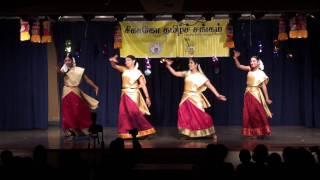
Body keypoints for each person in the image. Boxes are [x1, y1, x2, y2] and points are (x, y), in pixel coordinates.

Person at [164, 58, 226, 141]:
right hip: (186, 97)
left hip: (195, 98)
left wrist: (217, 95)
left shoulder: (201, 76)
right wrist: (168, 66)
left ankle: (211, 132)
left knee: (200, 115)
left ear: (196, 64)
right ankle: (187, 133)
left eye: (191, 63)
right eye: (189, 63)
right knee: (184, 113)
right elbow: (175, 73)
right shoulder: (187, 73)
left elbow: (210, 85)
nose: (189, 64)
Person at [109, 54, 156, 139]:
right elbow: (114, 66)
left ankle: (145, 130)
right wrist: (112, 60)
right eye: (126, 60)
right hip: (124, 93)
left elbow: (143, 85)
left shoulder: (138, 72)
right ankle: (127, 133)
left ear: (134, 61)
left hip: (134, 93)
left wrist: (147, 97)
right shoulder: (124, 69)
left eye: (128, 60)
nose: (126, 62)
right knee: (123, 114)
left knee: (133, 112)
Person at [57, 53, 99, 136]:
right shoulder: (64, 69)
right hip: (66, 91)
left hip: (76, 90)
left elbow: (86, 79)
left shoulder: (79, 70)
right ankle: (68, 130)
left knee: (78, 111)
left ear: (73, 61)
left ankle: (79, 128)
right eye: (65, 60)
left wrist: (95, 87)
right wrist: (58, 69)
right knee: (67, 112)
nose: (67, 62)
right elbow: (59, 72)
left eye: (69, 60)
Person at [233, 50, 272, 138]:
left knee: (255, 113)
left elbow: (264, 87)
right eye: (251, 61)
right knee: (248, 113)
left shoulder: (261, 73)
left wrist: (267, 98)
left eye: (254, 61)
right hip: (247, 93)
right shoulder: (249, 69)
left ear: (258, 62)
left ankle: (261, 130)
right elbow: (239, 66)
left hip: (255, 94)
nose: (252, 62)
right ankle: (252, 132)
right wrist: (235, 58)